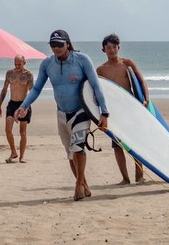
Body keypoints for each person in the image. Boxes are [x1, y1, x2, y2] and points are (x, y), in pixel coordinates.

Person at [15, 29, 109, 201]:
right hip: (61, 113)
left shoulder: (82, 60)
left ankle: (78, 185)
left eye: (60, 44)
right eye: (53, 45)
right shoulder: (47, 64)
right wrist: (24, 106)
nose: (56, 48)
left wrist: (104, 112)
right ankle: (84, 185)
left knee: (78, 147)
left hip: (81, 111)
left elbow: (96, 86)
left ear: (68, 44)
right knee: (70, 153)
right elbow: (36, 88)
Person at [96, 33, 149, 184]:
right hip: (114, 112)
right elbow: (97, 91)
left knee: (135, 143)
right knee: (117, 145)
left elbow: (141, 81)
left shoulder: (127, 63)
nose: (111, 50)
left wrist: (145, 99)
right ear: (103, 50)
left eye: (114, 47)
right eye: (108, 48)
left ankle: (139, 176)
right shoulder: (101, 70)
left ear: (118, 47)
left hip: (131, 109)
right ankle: (125, 178)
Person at [0, 54, 34, 163]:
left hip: (23, 104)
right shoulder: (9, 73)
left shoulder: (28, 75)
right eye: (15, 64)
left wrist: (26, 106)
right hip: (12, 104)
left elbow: (32, 92)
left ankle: (22, 157)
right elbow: (4, 90)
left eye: (19, 64)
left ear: (24, 63)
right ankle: (13, 152)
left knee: (22, 132)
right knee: (7, 130)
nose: (17, 66)